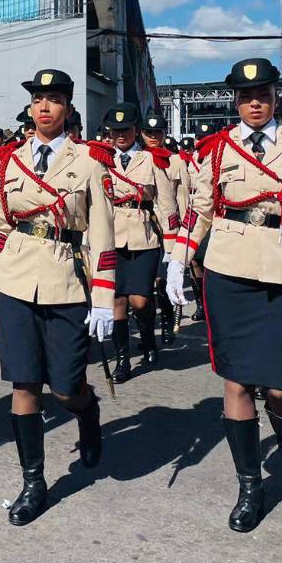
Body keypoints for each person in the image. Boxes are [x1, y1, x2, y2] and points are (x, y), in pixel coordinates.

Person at [166, 58, 282, 533]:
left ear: (276, 96)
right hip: (227, 272)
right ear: (235, 102)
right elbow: (199, 210)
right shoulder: (217, 148)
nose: (254, 102)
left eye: (262, 93)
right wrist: (177, 260)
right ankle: (250, 487)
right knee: (237, 382)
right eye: (245, 96)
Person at [0, 68, 115, 526]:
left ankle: (87, 410)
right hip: (16, 279)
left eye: (54, 99)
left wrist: (103, 296)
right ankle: (33, 481)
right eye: (38, 99)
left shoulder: (89, 162)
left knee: (64, 386)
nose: (44, 107)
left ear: (68, 108)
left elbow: (102, 234)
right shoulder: (7, 162)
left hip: (66, 279)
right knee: (24, 383)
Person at [101, 102, 177, 382]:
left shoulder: (151, 160)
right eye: (116, 130)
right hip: (111, 235)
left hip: (143, 235)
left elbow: (165, 203)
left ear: (136, 130)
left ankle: (148, 336)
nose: (121, 136)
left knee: (141, 300)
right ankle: (123, 359)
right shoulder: (101, 159)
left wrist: (171, 245)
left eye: (127, 130)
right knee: (117, 300)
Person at [140, 113, 198, 326]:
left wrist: (184, 230)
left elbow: (183, 199)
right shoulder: (136, 159)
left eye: (157, 132)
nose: (153, 136)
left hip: (168, 229)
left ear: (164, 133)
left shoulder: (175, 161)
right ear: (141, 134)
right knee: (146, 283)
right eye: (149, 132)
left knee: (162, 278)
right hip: (142, 227)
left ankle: (167, 319)